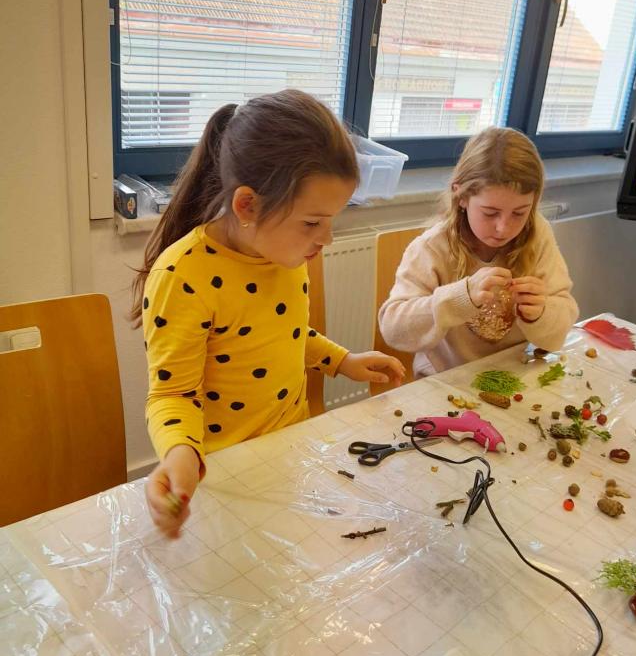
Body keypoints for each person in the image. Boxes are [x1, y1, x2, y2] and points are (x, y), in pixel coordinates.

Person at [132, 90, 404, 537]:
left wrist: (342, 361)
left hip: (290, 449)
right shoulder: (182, 276)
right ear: (248, 206)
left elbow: (286, 332)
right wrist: (180, 453)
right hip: (223, 472)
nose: (327, 239)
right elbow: (172, 394)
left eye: (332, 220)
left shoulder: (284, 253)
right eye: (312, 222)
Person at [378, 127, 577, 376]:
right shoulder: (432, 247)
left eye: (519, 213)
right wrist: (458, 299)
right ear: (460, 195)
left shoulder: (537, 235)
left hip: (515, 374)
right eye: (490, 213)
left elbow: (562, 322)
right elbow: (393, 329)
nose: (503, 228)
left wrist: (541, 313)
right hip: (447, 379)